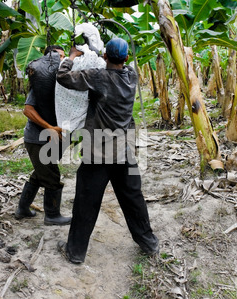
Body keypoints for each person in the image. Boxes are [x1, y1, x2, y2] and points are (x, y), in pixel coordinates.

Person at [55, 38, 159, 263]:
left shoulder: (98, 77)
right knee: (133, 199)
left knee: (86, 202)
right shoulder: (131, 76)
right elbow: (118, 65)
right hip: (123, 153)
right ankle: (149, 243)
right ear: (126, 59)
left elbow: (63, 77)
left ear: (104, 57)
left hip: (97, 155)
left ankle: (75, 252)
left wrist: (72, 56)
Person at [15, 45, 71, 226]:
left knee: (40, 174)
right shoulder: (41, 84)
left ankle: (22, 208)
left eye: (64, 57)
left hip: (48, 140)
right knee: (52, 177)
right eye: (58, 57)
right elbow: (28, 110)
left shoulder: (59, 83)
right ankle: (52, 215)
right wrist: (50, 127)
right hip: (37, 139)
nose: (61, 61)